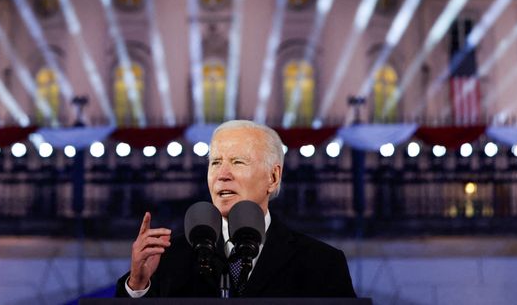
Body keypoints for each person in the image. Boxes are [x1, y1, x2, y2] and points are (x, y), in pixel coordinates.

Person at [115, 119, 356, 298]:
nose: (222, 175)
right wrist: (137, 285)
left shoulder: (321, 263)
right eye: (216, 163)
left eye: (238, 162)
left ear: (273, 177)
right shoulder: (167, 260)